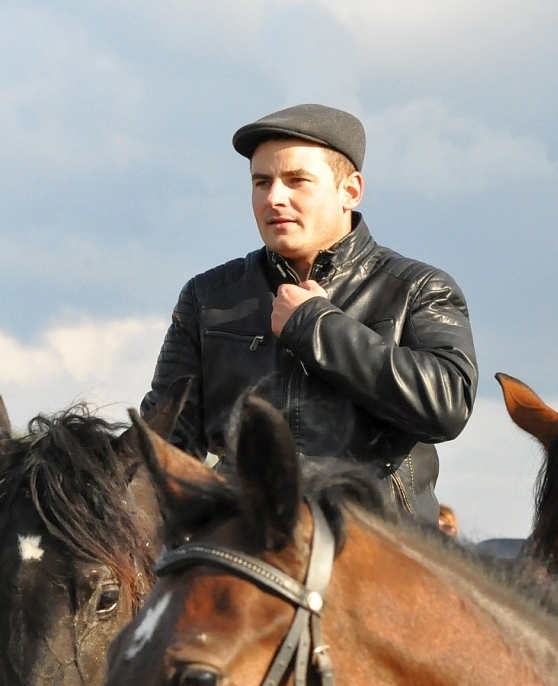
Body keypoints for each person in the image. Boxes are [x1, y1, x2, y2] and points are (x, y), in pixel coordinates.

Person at [141, 103, 477, 524]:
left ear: (350, 191)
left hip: (377, 539)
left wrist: (318, 325)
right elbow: (165, 445)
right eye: (261, 182)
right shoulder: (208, 296)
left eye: (296, 180)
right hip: (243, 540)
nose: (274, 198)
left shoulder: (417, 287)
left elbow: (446, 406)